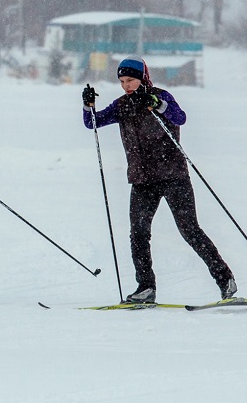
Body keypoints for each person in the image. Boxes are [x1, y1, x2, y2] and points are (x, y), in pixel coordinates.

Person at [82, 57, 236, 304]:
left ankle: (225, 279)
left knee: (189, 230)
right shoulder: (122, 105)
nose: (126, 86)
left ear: (142, 77)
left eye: (130, 80)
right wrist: (87, 105)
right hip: (142, 181)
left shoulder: (160, 97)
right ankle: (146, 288)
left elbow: (180, 117)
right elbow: (93, 122)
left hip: (173, 175)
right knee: (138, 234)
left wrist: (158, 104)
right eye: (122, 81)